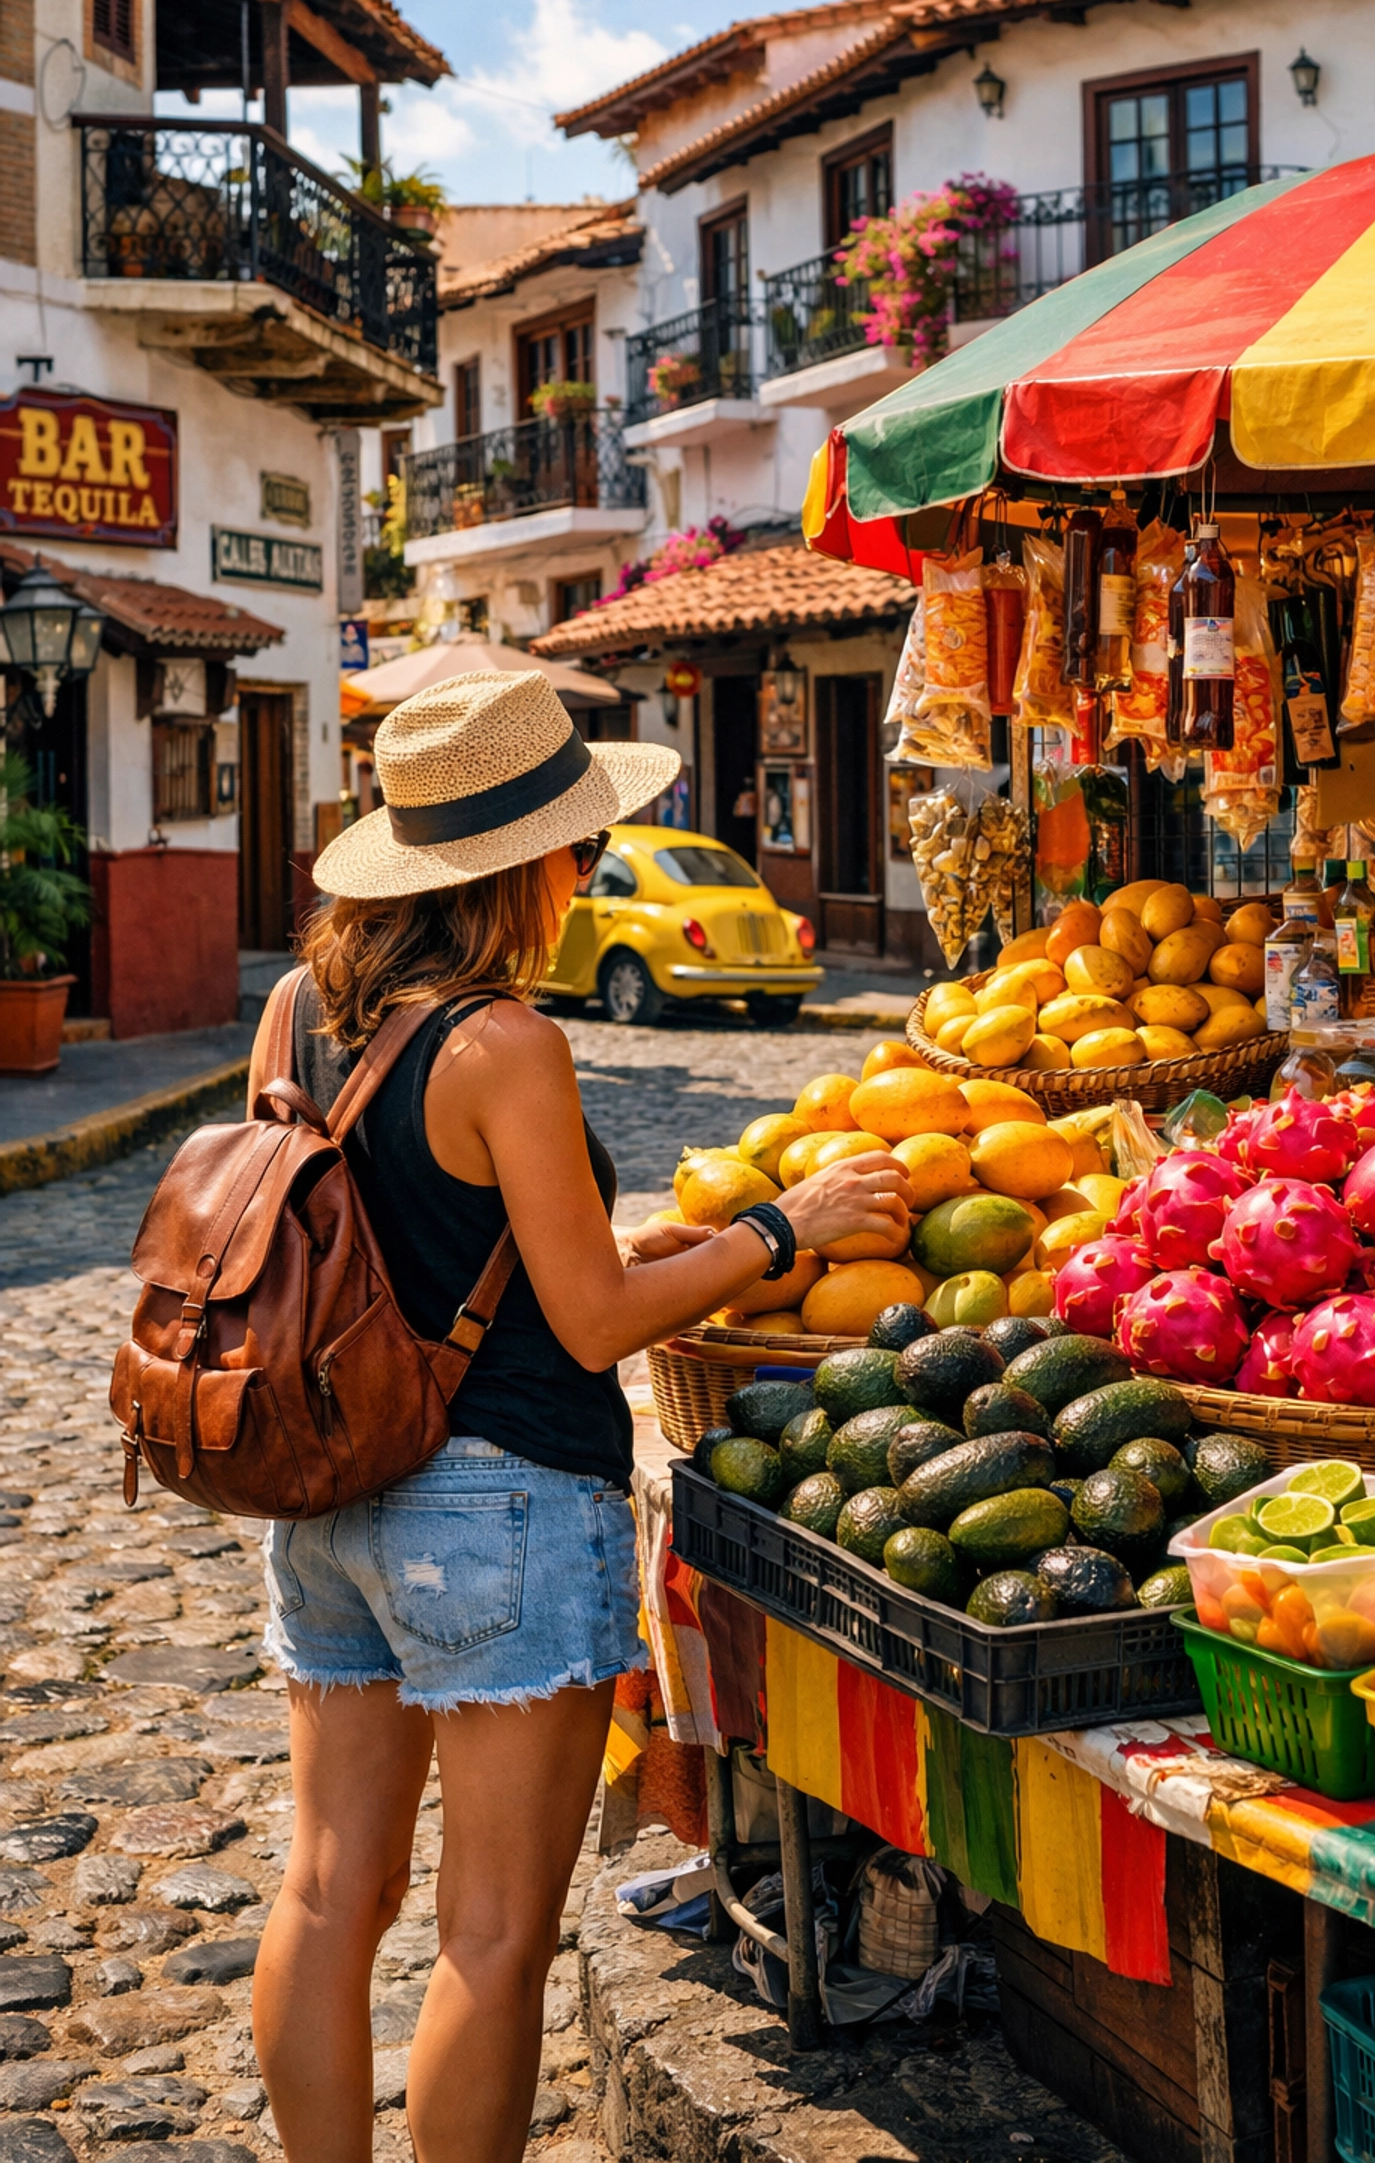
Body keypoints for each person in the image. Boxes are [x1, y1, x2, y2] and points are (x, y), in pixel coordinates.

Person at [247, 671, 914, 2163]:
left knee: (319, 1890)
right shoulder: (503, 1045)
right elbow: (591, 1327)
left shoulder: (301, 1009)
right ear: (524, 867)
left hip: (330, 1492)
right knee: (494, 1936)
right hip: (496, 1515)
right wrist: (782, 1232)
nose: (586, 873)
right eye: (580, 850)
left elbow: (378, 1245)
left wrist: (673, 1244)